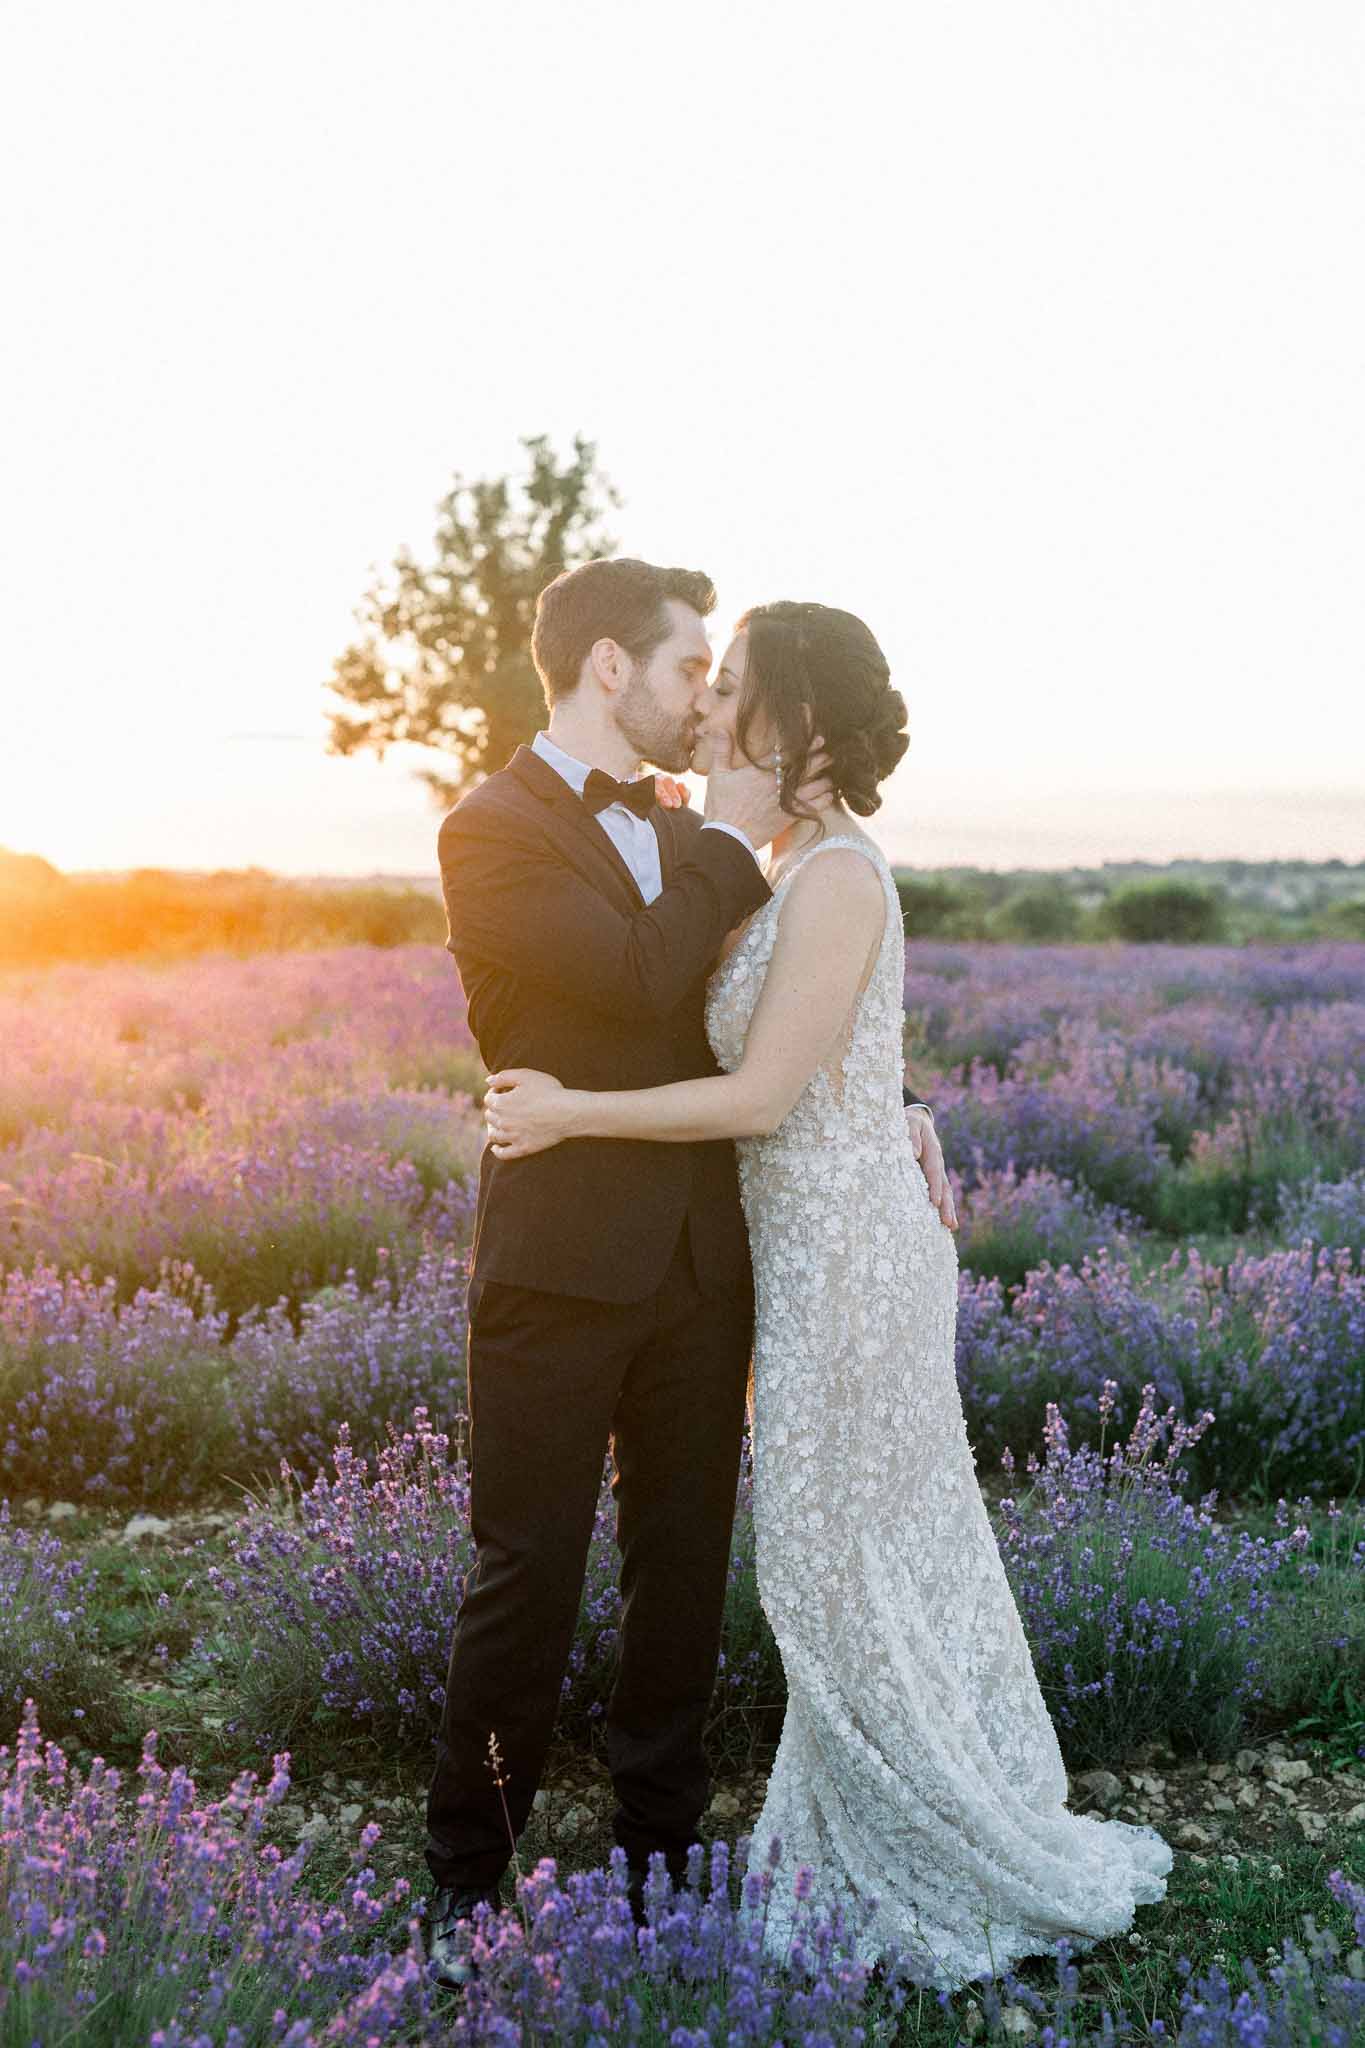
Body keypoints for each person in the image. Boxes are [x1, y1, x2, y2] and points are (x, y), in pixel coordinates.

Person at [483, 598, 1173, 1989]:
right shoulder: (765, 856)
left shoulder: (837, 874)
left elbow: (763, 1084)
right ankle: (852, 1834)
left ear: (789, 713)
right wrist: (895, 1095)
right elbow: (719, 999)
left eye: (730, 678)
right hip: (788, 1251)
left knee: (835, 1561)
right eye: (703, 670)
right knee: (841, 1561)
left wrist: (572, 1113)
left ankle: (929, 1844)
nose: (710, 697)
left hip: (848, 1257)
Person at [423, 560, 950, 1989]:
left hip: (705, 1263)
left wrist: (886, 1101)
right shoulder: (490, 831)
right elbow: (639, 977)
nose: (705, 699)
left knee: (680, 1580)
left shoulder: (693, 827)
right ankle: (468, 1873)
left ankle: (660, 1862)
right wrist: (724, 839)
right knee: (524, 1575)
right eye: (685, 672)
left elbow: (764, 1017)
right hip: (555, 1260)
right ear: (608, 669)